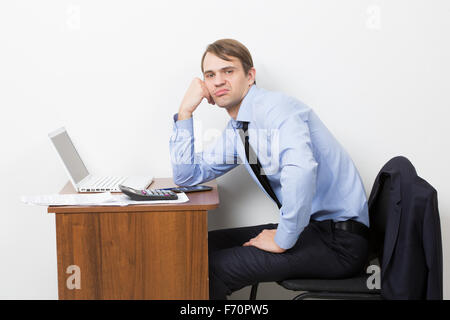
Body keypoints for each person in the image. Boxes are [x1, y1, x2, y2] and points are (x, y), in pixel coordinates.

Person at [169, 38, 370, 300]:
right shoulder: (240, 130)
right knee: (200, 247)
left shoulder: (277, 110)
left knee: (211, 269)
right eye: (210, 75)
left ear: (249, 76)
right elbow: (188, 175)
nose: (218, 81)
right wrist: (185, 112)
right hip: (315, 231)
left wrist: (282, 239)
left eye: (228, 71)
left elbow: (301, 169)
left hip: (339, 244)